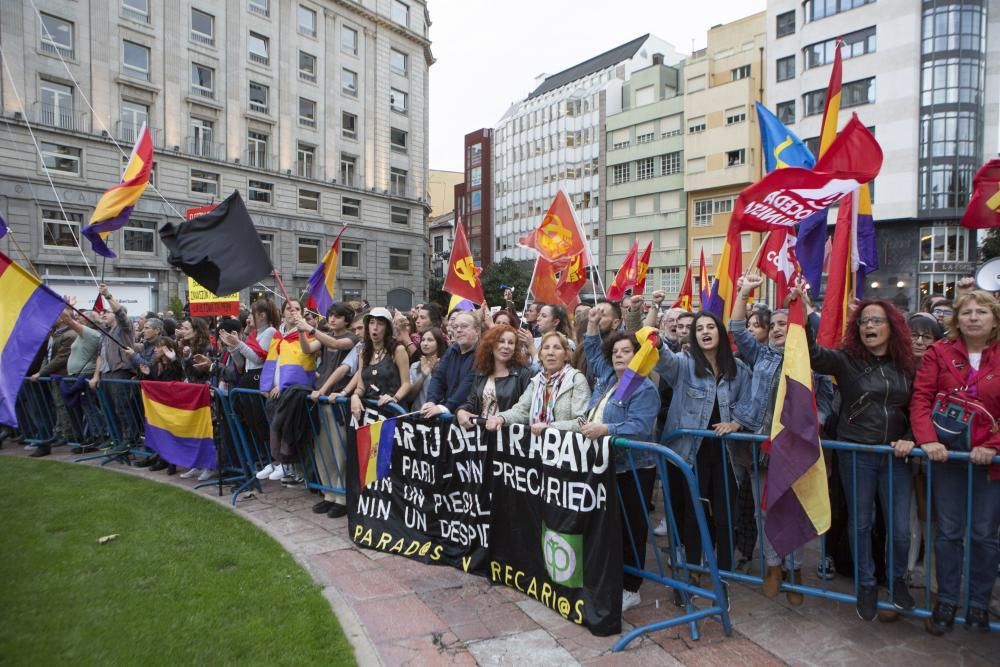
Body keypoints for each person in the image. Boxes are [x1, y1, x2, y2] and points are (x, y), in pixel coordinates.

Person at [807, 295, 917, 621]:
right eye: (864, 321)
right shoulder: (846, 360)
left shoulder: (907, 364)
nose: (869, 325)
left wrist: (910, 439)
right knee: (861, 524)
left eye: (876, 320)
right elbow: (814, 356)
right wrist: (801, 314)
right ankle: (866, 584)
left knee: (899, 530)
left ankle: (896, 581)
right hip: (857, 453)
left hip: (896, 456)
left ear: (892, 327)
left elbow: (918, 408)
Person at [910, 290, 1000, 635]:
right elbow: (921, 398)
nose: (973, 317)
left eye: (981, 312)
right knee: (947, 533)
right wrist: (927, 439)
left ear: (993, 319)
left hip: (990, 463)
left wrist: (992, 445)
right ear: (956, 319)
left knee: (984, 535)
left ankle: (978, 604)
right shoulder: (939, 352)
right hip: (948, 457)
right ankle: (946, 600)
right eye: (967, 312)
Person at [654, 311, 749, 576]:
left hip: (726, 452)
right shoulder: (684, 364)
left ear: (720, 331)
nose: (705, 332)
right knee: (694, 511)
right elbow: (663, 360)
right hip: (689, 451)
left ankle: (725, 571)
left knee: (724, 514)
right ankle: (694, 567)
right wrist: (658, 342)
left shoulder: (738, 369)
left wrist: (737, 423)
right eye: (699, 329)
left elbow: (750, 402)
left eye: (710, 327)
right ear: (694, 336)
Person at [580, 309, 661, 612]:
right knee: (608, 526)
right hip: (604, 465)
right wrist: (591, 323)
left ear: (638, 356)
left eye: (626, 351)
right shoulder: (606, 379)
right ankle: (611, 575)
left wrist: (605, 430)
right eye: (615, 351)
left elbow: (640, 428)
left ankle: (631, 586)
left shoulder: (643, 387)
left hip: (633, 469)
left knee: (631, 528)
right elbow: (591, 348)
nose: (619, 356)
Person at [255, 299, 318, 483]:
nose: (293, 312)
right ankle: (280, 462)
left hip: (292, 392)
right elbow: (272, 362)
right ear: (282, 314)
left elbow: (300, 362)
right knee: (275, 427)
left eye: (297, 309)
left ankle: (290, 466)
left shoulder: (308, 334)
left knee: (290, 429)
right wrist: (266, 386)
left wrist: (281, 386)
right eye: (289, 309)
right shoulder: (277, 335)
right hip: (275, 392)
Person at [485, 331, 590, 433]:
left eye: (557, 348)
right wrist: (501, 418)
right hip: (536, 449)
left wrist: (550, 427)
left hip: (566, 449)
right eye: (546, 348)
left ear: (566, 355)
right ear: (540, 355)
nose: (550, 353)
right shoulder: (537, 381)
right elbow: (521, 411)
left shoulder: (576, 379)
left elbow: (582, 421)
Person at [456, 324, 533, 426]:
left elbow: (525, 410)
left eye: (511, 343)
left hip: (508, 437)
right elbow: (472, 402)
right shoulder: (481, 372)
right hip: (482, 435)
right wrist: (461, 411)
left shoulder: (523, 374)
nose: (506, 346)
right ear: (491, 345)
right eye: (501, 341)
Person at [349, 307, 411, 421]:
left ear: (387, 328)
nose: (375, 327)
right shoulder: (363, 352)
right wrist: (355, 396)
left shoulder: (398, 350)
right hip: (370, 413)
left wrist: (394, 398)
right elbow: (361, 387)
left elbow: (406, 384)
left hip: (393, 412)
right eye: (372, 323)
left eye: (380, 323)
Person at [420, 310, 480, 418]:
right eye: (455, 327)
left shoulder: (482, 353)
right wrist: (431, 401)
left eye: (464, 326)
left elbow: (469, 384)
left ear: (477, 330)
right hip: (448, 414)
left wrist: (445, 407)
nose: (459, 330)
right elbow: (438, 377)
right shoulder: (452, 350)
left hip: (468, 417)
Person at [407, 328, 447, 409]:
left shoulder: (446, 365)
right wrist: (423, 376)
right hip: (417, 415)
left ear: (438, 343)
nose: (425, 343)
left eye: (430, 340)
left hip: (438, 416)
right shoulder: (414, 366)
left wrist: (434, 371)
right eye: (423, 340)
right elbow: (409, 397)